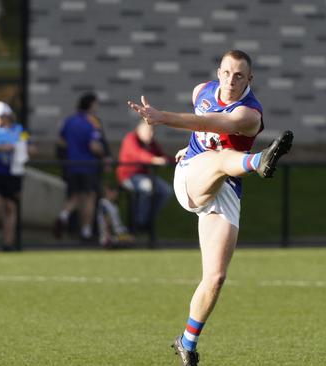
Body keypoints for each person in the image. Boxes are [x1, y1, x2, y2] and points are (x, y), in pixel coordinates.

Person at [127, 50, 293, 366]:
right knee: (218, 161)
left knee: (215, 276)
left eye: (239, 75)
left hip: (226, 188)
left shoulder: (249, 115)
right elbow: (202, 131)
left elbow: (209, 123)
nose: (231, 80)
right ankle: (259, 161)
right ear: (218, 72)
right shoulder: (201, 91)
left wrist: (164, 117)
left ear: (250, 80)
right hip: (192, 176)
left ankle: (187, 341)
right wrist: (186, 146)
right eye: (227, 72)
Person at [0, 101, 34, 252]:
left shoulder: (19, 130)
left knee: (10, 207)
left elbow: (31, 146)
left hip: (13, 173)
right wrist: (1, 148)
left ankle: (8, 243)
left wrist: (21, 149)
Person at [53, 93, 105, 241]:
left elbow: (61, 142)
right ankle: (86, 231)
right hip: (88, 166)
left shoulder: (69, 121)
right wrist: (103, 153)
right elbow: (94, 146)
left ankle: (63, 216)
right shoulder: (92, 122)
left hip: (72, 165)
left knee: (75, 196)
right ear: (91, 105)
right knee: (89, 198)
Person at [116, 119, 173, 230]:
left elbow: (162, 156)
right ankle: (140, 222)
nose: (151, 134)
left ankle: (148, 219)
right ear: (140, 129)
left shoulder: (151, 143)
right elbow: (139, 155)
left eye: (152, 131)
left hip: (146, 176)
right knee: (148, 186)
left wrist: (178, 159)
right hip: (128, 177)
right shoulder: (130, 138)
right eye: (149, 131)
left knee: (166, 191)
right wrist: (154, 160)